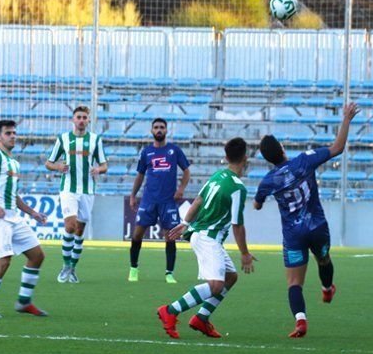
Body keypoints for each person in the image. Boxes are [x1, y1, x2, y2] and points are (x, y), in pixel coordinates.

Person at [253, 102, 360, 338]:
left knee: (294, 283)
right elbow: (337, 148)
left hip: (293, 235)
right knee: (324, 260)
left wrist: (262, 200)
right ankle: (326, 288)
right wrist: (346, 120)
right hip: (317, 227)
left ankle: (300, 321)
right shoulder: (304, 160)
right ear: (281, 148)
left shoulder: (268, 180)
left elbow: (257, 204)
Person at [156, 138, 256, 339]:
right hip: (207, 238)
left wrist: (185, 223)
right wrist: (244, 253)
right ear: (246, 158)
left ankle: (201, 318)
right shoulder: (238, 188)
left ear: (226, 158)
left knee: (230, 277)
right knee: (216, 285)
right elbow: (237, 225)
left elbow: (198, 201)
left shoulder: (217, 176)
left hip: (202, 234)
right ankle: (170, 310)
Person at [0, 120, 50, 318]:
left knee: (37, 255)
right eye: (8, 133)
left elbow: (13, 194)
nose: (13, 136)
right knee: (4, 260)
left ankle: (24, 302)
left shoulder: (14, 162)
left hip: (13, 216)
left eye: (14, 133)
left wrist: (32, 212)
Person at [45, 105, 108, 284]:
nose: (81, 120)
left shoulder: (96, 140)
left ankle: (72, 267)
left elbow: (104, 165)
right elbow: (48, 163)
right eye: (78, 117)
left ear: (88, 120)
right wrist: (58, 167)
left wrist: (98, 169)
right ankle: (65, 265)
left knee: (80, 230)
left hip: (87, 191)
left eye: (84, 117)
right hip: (68, 189)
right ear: (73, 119)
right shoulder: (63, 139)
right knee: (70, 226)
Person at [128, 118, 191, 283]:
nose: (159, 130)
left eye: (162, 127)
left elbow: (186, 171)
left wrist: (181, 189)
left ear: (166, 130)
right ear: (151, 131)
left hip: (168, 201)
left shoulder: (174, 150)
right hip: (148, 200)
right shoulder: (146, 152)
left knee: (170, 237)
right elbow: (140, 175)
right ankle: (133, 268)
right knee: (137, 234)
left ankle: (169, 273)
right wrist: (133, 195)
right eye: (156, 127)